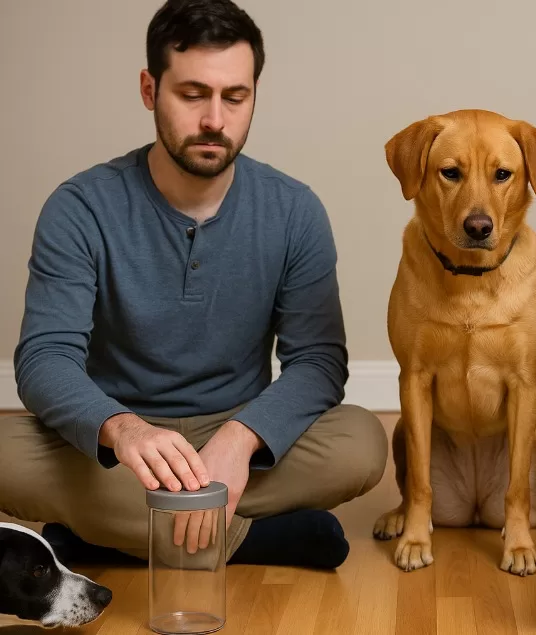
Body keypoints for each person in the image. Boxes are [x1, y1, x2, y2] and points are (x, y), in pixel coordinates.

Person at [0, 0, 387, 570]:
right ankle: (252, 538)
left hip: (238, 431)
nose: (214, 120)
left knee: (361, 443)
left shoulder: (295, 210)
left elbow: (319, 363)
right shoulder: (79, 206)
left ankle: (106, 535)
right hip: (117, 445)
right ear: (148, 89)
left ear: (255, 94)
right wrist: (122, 429)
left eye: (235, 97)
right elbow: (44, 358)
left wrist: (240, 439)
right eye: (192, 94)